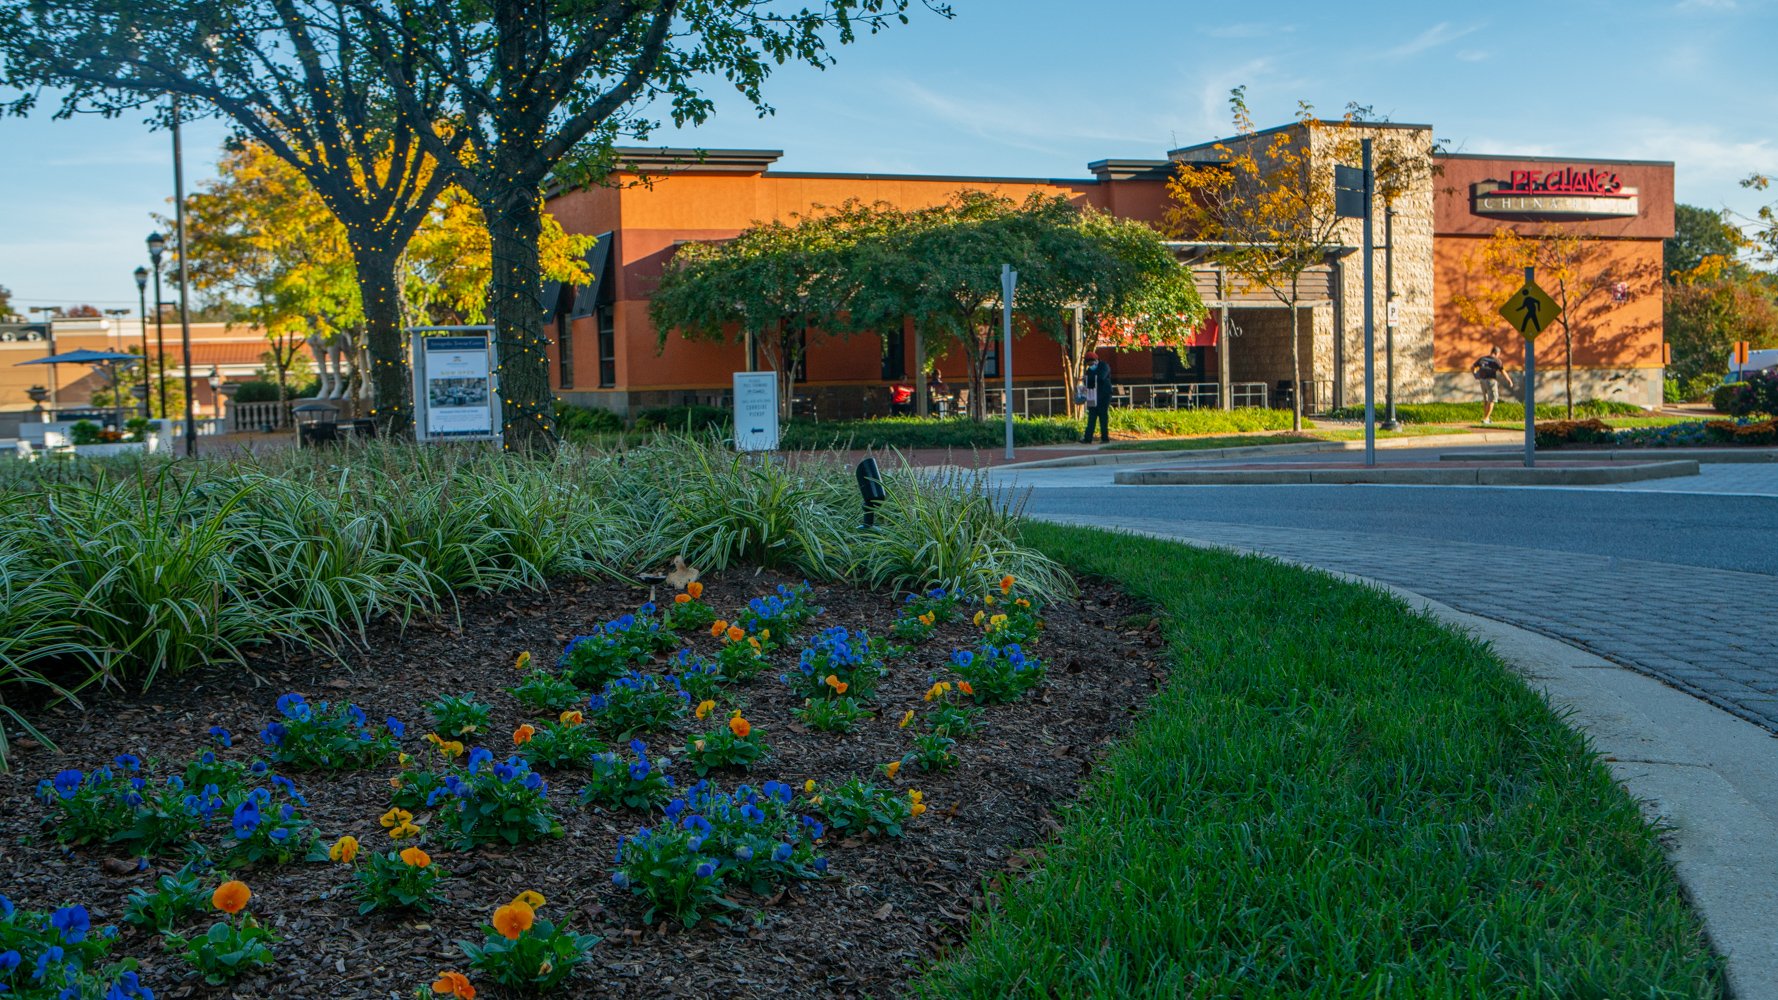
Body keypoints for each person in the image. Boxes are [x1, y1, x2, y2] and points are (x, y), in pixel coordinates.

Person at [1471, 345, 1516, 424]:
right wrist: (1509, 380)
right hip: (1491, 381)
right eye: (1499, 354)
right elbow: (1502, 371)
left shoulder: (1482, 359)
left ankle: (1486, 418)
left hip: (1482, 381)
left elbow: (1472, 367)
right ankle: (1486, 418)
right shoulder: (1496, 360)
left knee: (1486, 400)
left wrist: (1475, 375)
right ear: (1497, 353)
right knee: (1492, 399)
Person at [1080, 351, 1113, 444]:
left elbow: (1101, 377)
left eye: (1091, 363)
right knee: (1092, 416)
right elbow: (1089, 382)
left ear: (1096, 360)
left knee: (1103, 416)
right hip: (1093, 395)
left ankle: (1105, 438)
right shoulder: (1089, 370)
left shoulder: (1104, 366)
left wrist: (1089, 378)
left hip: (1104, 395)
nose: (1090, 365)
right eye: (1088, 364)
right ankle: (1088, 438)